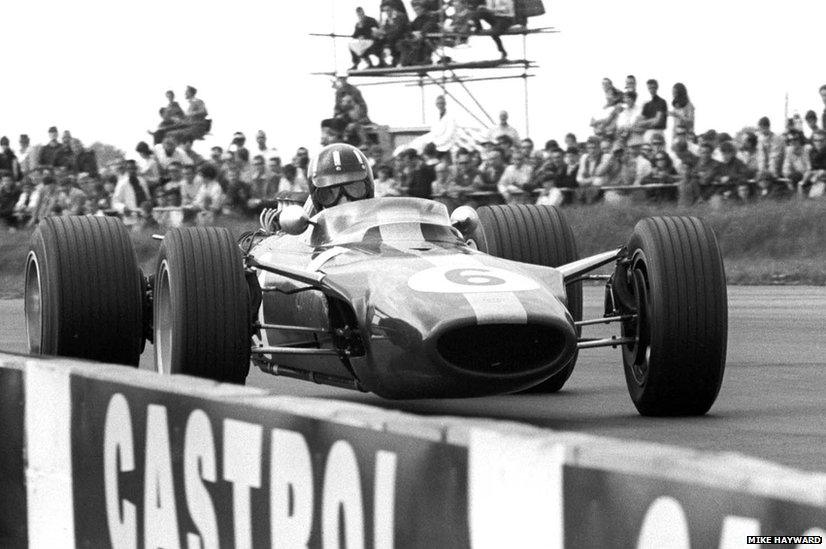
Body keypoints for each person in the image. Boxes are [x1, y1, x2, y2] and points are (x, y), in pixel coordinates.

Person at [304, 143, 374, 217]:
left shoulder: (383, 222)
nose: (344, 203)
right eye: (330, 194)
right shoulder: (310, 226)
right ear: (317, 201)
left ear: (369, 191)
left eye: (354, 189)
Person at [398, 0, 439, 66]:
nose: (416, 11)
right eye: (415, 9)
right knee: (403, 43)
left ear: (423, 8)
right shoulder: (417, 19)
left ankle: (410, 63)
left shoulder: (430, 17)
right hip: (418, 39)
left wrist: (419, 33)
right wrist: (413, 33)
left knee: (412, 44)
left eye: (418, 9)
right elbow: (410, 29)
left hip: (429, 41)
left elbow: (427, 29)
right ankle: (404, 63)